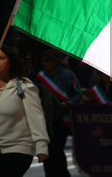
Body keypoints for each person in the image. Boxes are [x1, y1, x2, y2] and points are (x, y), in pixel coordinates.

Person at [0, 45, 50, 177]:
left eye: (1, 58)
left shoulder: (24, 86)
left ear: (11, 62)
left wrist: (41, 144)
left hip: (19, 148)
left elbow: (36, 117)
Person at [35, 48, 82, 177]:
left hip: (61, 119)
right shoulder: (40, 77)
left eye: (47, 60)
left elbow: (78, 94)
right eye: (43, 60)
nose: (44, 63)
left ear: (55, 62)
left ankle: (62, 174)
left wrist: (68, 103)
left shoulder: (68, 75)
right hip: (44, 119)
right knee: (47, 151)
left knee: (57, 150)